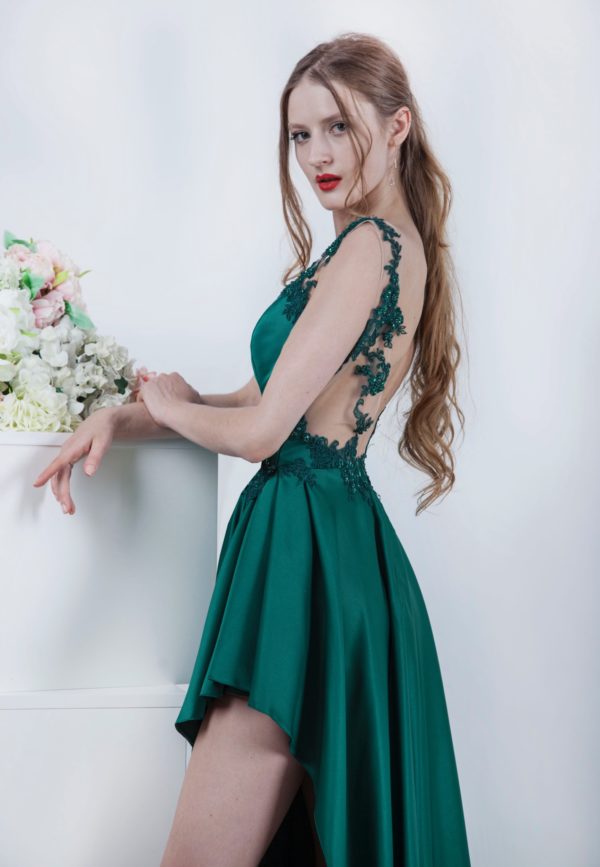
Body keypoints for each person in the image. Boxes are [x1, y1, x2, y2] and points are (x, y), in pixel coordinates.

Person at [33, 31, 471, 867]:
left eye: (338, 127)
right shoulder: (376, 246)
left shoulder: (373, 247)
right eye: (300, 134)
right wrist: (133, 415)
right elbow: (256, 402)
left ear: (398, 126)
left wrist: (168, 406)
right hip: (328, 548)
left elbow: (265, 431)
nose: (317, 155)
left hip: (304, 558)